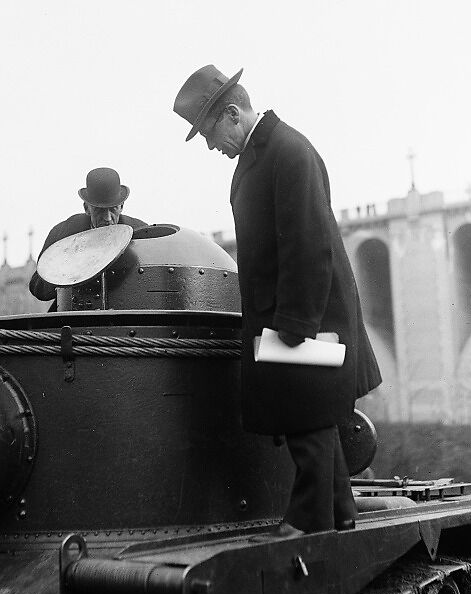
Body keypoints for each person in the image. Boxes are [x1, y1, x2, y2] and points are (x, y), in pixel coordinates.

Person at [173, 65, 382, 536]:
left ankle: (308, 520)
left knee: (307, 417)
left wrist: (292, 325)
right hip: (293, 311)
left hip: (305, 315)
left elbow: (308, 244)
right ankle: (339, 511)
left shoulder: (286, 150)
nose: (212, 147)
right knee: (312, 420)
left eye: (209, 135)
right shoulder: (266, 153)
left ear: (232, 114)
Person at [29, 167, 147, 303]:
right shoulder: (64, 233)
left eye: (113, 209)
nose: (108, 218)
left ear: (121, 207)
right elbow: (37, 288)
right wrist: (66, 268)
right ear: (86, 208)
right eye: (100, 211)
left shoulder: (141, 233)